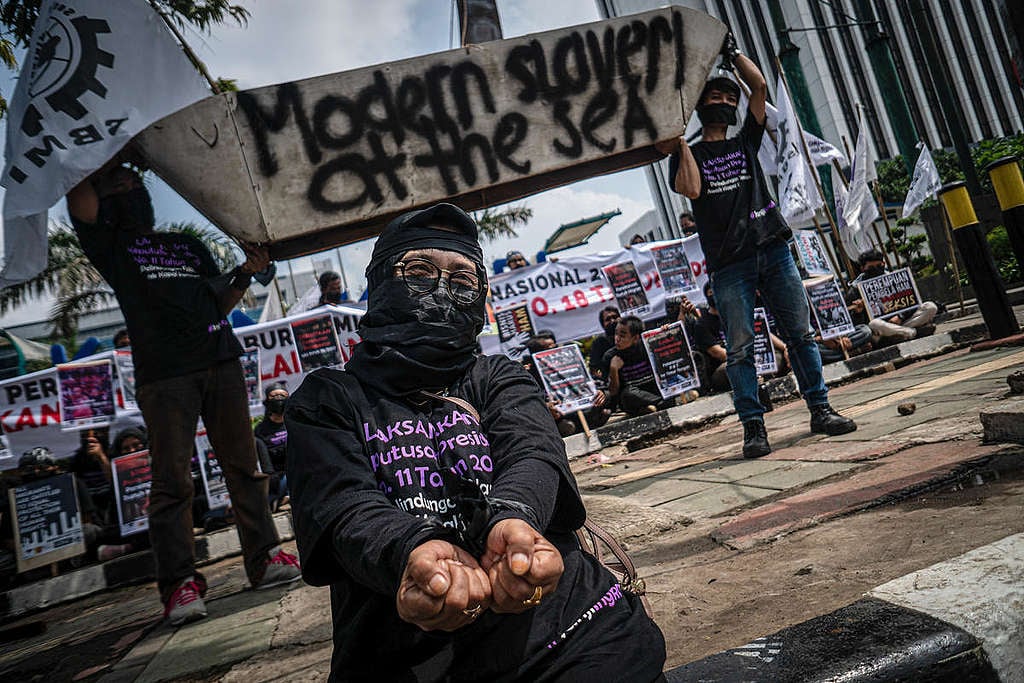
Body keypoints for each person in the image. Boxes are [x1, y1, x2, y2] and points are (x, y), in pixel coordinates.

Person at [286, 203, 665, 681]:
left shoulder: (497, 377)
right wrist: (412, 552)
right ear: (381, 283)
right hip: (412, 661)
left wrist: (513, 520)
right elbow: (343, 504)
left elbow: (534, 452)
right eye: (419, 271)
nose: (442, 291)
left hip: (573, 634)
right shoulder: (326, 400)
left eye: (462, 281)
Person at [66, 162, 300, 626]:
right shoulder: (111, 246)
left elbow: (219, 301)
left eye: (133, 180)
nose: (127, 184)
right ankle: (180, 585)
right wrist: (97, 154)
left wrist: (245, 275)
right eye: (116, 182)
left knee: (244, 467)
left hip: (221, 360)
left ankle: (266, 558)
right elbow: (77, 192)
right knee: (172, 482)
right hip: (165, 375)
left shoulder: (186, 246)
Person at [659, 34, 856, 458]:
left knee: (800, 334)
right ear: (700, 105)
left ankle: (820, 410)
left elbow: (761, 87)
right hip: (730, 265)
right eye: (716, 96)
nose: (726, 102)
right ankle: (754, 428)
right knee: (742, 348)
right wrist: (676, 137)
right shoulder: (687, 153)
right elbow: (690, 189)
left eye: (730, 96)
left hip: (773, 248)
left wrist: (730, 55)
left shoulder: (747, 139)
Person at [523, 332, 610, 437]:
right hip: (559, 417)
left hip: (582, 409)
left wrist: (599, 392)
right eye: (547, 350)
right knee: (566, 425)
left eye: (554, 347)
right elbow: (530, 403)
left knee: (606, 401)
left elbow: (588, 384)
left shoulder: (570, 364)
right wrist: (546, 407)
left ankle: (592, 421)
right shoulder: (529, 375)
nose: (553, 353)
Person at [847, 249, 938, 344]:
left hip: (901, 321)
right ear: (862, 268)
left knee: (930, 307)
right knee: (874, 324)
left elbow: (912, 302)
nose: (875, 270)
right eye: (871, 267)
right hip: (880, 328)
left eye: (879, 266)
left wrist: (900, 316)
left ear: (884, 263)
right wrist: (858, 312)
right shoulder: (855, 290)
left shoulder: (895, 278)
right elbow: (857, 325)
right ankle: (914, 332)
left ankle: (898, 334)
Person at [608, 315, 675, 416]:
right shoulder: (610, 356)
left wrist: (665, 335)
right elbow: (613, 392)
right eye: (616, 334)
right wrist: (613, 370)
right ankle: (662, 403)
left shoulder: (649, 345)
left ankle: (649, 407)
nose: (617, 339)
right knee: (627, 394)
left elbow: (673, 361)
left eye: (622, 335)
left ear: (635, 338)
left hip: (655, 391)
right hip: (633, 398)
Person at [254, 382, 290, 510]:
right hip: (278, 478)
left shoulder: (296, 422)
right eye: (274, 396)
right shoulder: (260, 431)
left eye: (283, 395)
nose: (279, 399)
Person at [588, 306, 621, 381]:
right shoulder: (599, 342)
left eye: (615, 317)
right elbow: (594, 369)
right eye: (608, 319)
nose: (612, 321)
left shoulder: (630, 335)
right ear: (603, 324)